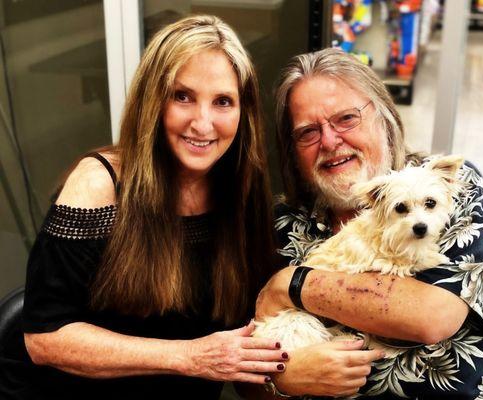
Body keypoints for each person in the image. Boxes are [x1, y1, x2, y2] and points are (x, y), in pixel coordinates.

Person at [0, 15, 291, 400]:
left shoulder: (242, 189)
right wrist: (190, 357)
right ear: (152, 100)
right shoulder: (100, 183)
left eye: (223, 101)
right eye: (182, 96)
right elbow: (45, 337)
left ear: (243, 113)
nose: (202, 124)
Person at [255, 48, 483, 399]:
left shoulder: (450, 186)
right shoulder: (284, 226)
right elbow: (247, 370)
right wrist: (281, 378)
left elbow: (432, 317)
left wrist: (290, 284)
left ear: (384, 117)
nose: (329, 141)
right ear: (293, 151)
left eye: (346, 119)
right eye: (308, 132)